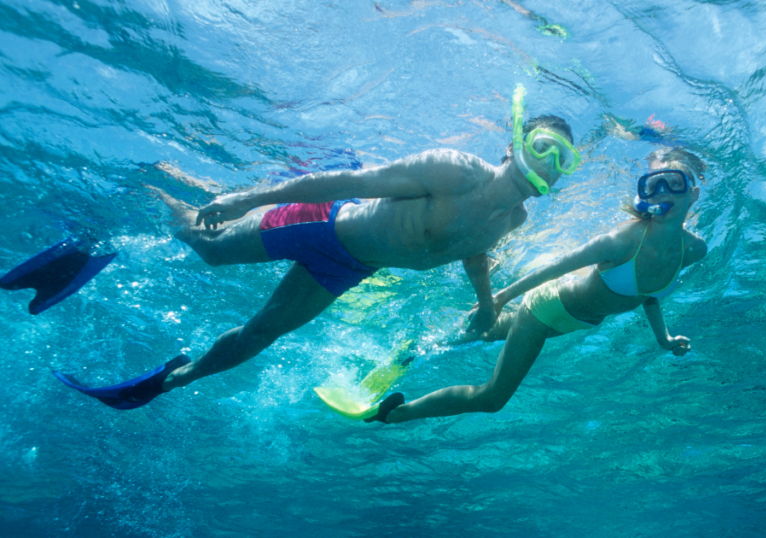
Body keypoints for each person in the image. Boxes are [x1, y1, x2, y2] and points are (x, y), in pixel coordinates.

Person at [54, 86, 582, 410]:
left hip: (349, 267)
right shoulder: (454, 170)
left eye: (563, 163)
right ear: (514, 142)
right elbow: (342, 182)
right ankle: (152, 186)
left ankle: (173, 380)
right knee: (206, 246)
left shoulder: (514, 218)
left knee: (260, 335)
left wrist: (487, 304)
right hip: (322, 224)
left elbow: (473, 255)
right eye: (543, 149)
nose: (548, 167)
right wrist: (248, 198)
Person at [375, 148, 708, 424]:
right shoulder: (623, 240)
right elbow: (556, 267)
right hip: (546, 309)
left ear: (692, 194)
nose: (662, 192)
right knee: (492, 398)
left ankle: (415, 350)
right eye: (654, 185)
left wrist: (663, 338)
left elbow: (648, 294)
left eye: (673, 184)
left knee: (483, 334)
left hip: (573, 321)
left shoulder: (693, 250)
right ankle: (395, 415)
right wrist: (500, 297)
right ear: (644, 193)